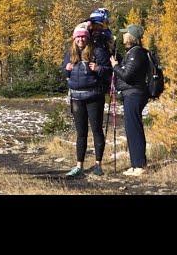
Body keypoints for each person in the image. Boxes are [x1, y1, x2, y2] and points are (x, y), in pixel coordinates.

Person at [62, 22, 111, 177]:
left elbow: (109, 72)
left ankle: (98, 165)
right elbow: (64, 72)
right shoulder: (70, 53)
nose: (81, 40)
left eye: (83, 37)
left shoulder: (98, 52)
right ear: (74, 39)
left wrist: (98, 69)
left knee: (97, 130)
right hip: (76, 97)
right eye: (78, 37)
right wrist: (66, 69)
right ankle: (79, 166)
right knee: (81, 133)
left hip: (94, 97)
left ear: (87, 38)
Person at [109, 24, 149, 177]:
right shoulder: (132, 52)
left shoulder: (136, 53)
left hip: (134, 94)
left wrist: (115, 66)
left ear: (131, 37)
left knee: (134, 129)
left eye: (125, 33)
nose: (123, 36)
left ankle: (139, 165)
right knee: (132, 129)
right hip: (132, 94)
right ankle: (136, 164)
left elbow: (127, 75)